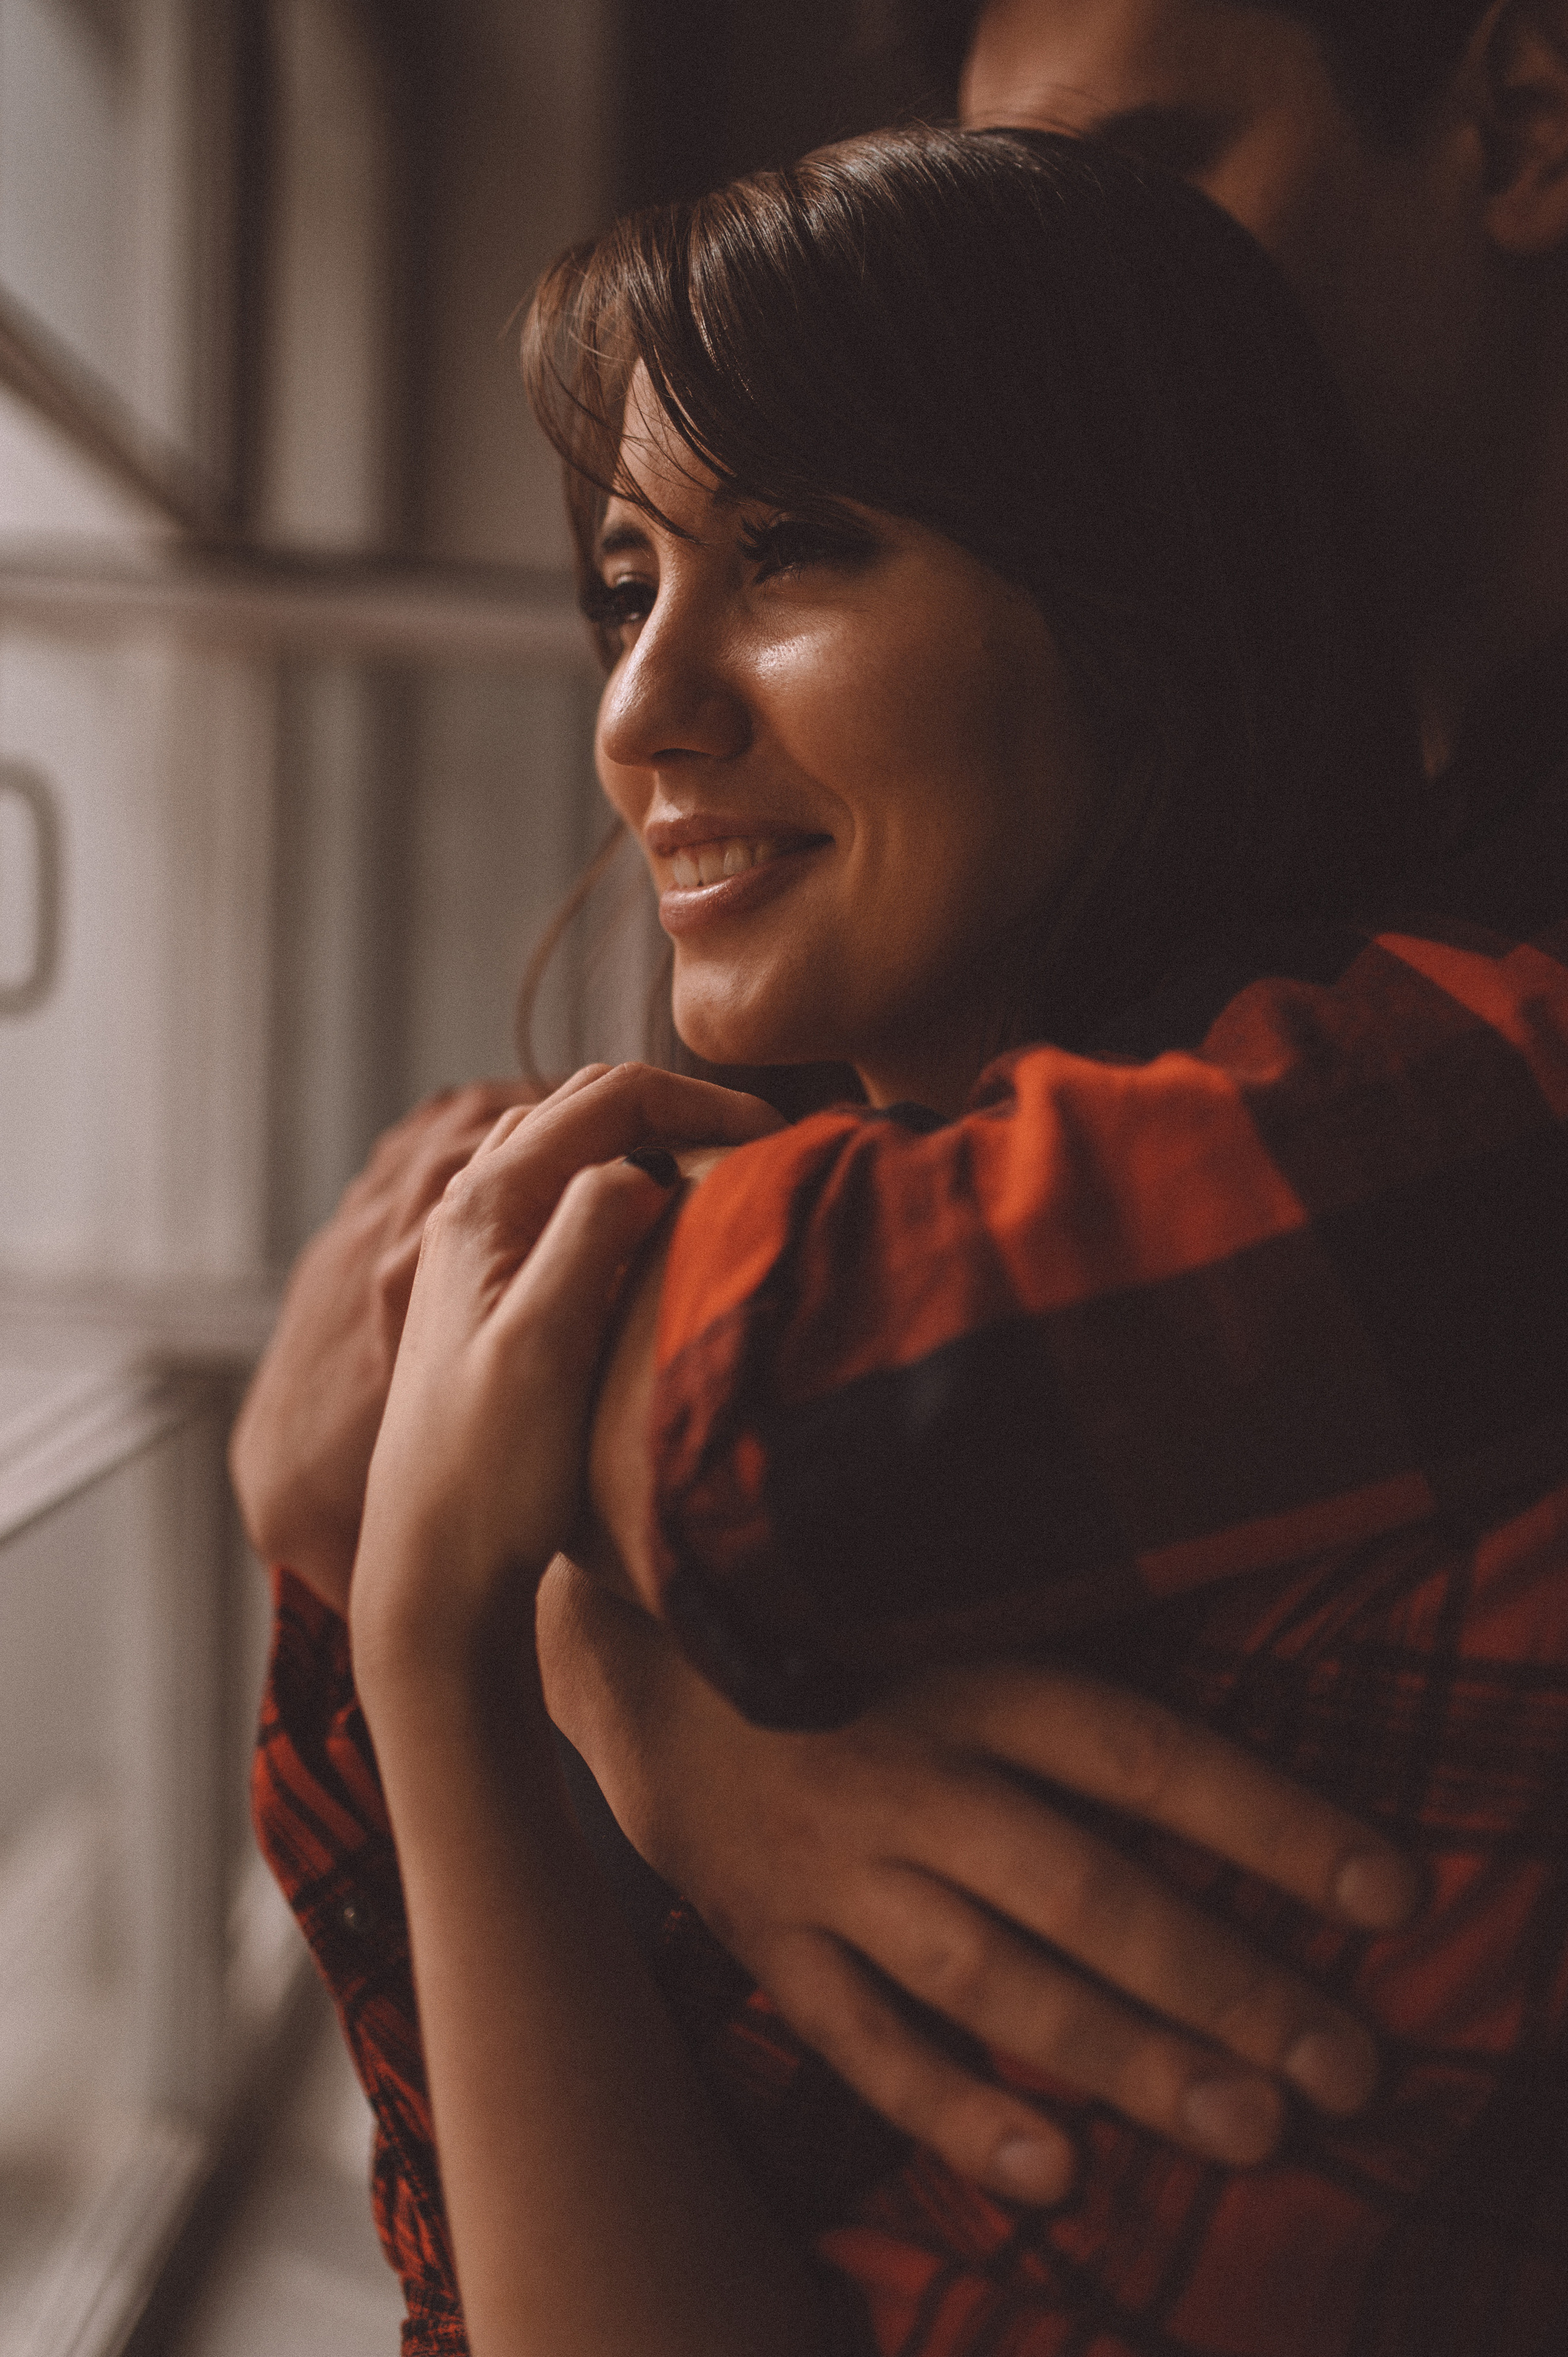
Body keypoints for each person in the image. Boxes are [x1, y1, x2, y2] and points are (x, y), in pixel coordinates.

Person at [234, 0, 1568, 2338]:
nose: (642, 710)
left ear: (1139, 622)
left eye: (802, 551)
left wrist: (461, 1616)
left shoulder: (1416, 1468)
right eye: (625, 579)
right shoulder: (724, 1219)